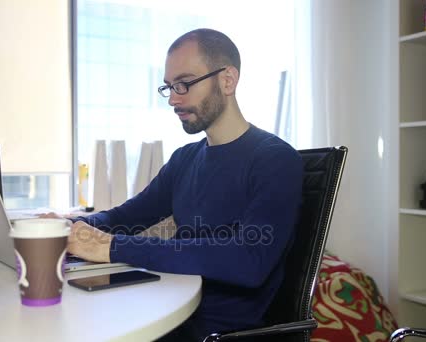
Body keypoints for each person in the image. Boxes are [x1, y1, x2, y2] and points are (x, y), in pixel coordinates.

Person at [54, 28, 303, 341]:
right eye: (169, 87)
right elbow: (127, 217)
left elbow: (249, 260)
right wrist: (72, 227)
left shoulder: (275, 160)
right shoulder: (185, 158)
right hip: (168, 305)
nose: (173, 98)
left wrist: (111, 246)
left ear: (227, 79)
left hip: (215, 330)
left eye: (184, 84)